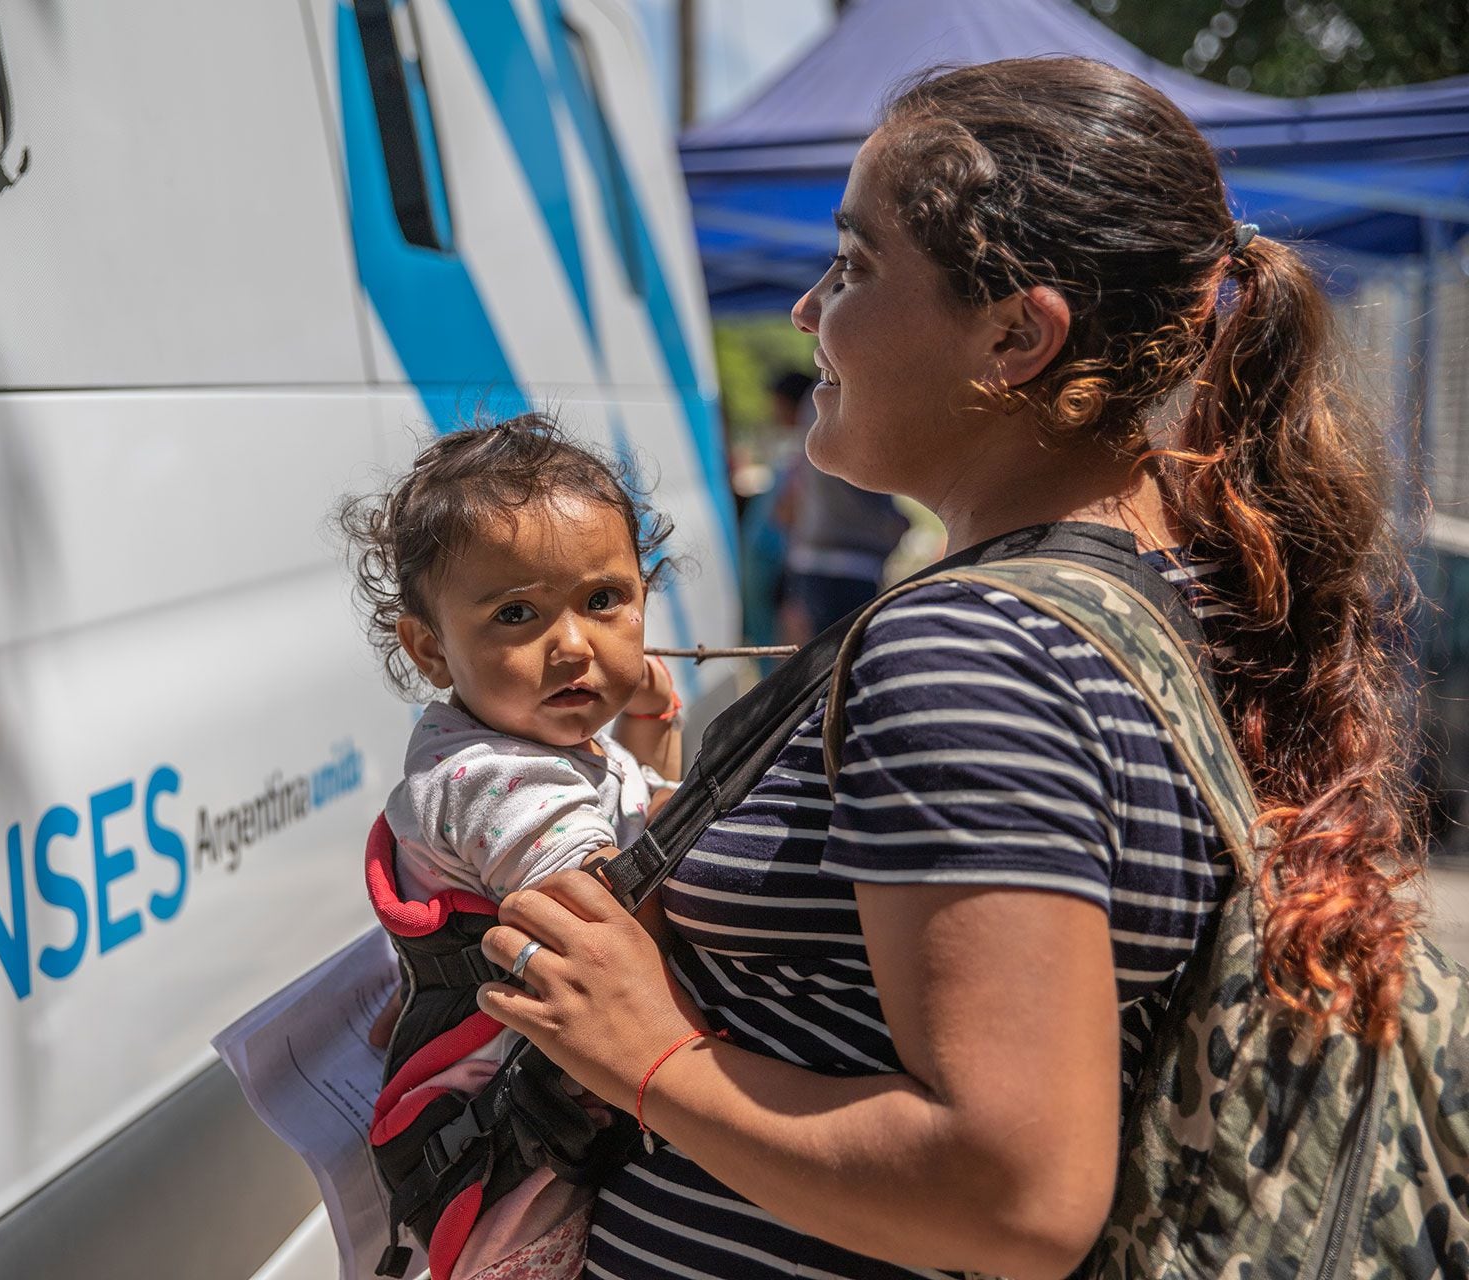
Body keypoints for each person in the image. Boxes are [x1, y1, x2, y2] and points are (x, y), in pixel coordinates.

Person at [468, 57, 1422, 1280]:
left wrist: (649, 1053)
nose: (810, 311)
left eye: (855, 265)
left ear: (1017, 334)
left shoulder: (968, 651)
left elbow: (1014, 1194)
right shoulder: (1153, 584)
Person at [340, 414, 684, 1279]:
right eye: (517, 614)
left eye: (604, 601)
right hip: (515, 1174)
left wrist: (647, 734)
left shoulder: (537, 743)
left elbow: (636, 818)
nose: (573, 644)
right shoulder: (492, 778)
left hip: (539, 1120)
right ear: (429, 648)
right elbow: (614, 917)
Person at [770, 371, 911, 641]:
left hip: (820, 565)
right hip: (845, 568)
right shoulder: (837, 398)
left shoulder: (821, 405)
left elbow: (786, 510)